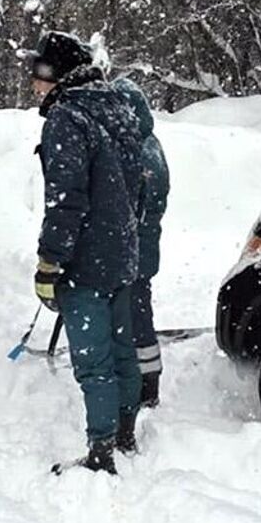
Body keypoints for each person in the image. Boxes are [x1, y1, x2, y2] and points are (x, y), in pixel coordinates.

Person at [28, 30, 144, 475]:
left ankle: (102, 452)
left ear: (59, 76)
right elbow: (136, 186)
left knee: (94, 362)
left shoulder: (67, 119)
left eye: (40, 73)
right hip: (120, 254)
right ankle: (126, 433)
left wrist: (49, 261)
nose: (34, 84)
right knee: (122, 351)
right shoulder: (119, 110)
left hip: (86, 260)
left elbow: (67, 200)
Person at [109, 73, 170, 406]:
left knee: (135, 318)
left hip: (132, 251)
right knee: (138, 312)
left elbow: (129, 205)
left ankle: (146, 387)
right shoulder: (151, 145)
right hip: (144, 249)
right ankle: (143, 379)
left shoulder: (137, 152)